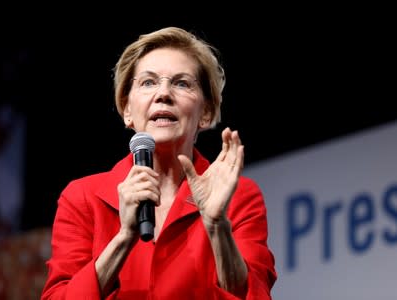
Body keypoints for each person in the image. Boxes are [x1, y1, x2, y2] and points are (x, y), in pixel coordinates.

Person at [41, 26, 277, 299]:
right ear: (127, 110)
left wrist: (217, 227)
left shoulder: (239, 197)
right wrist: (124, 237)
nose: (163, 94)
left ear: (206, 112)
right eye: (148, 82)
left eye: (181, 83)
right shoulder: (82, 198)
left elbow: (254, 294)